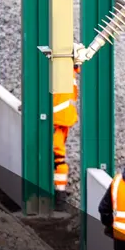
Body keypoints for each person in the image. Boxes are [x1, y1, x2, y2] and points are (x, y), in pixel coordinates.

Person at [52, 66, 79, 195]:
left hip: (55, 120)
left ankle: (59, 194)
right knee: (58, 157)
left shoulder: (59, 70)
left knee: (58, 158)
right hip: (63, 119)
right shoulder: (69, 72)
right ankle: (59, 191)